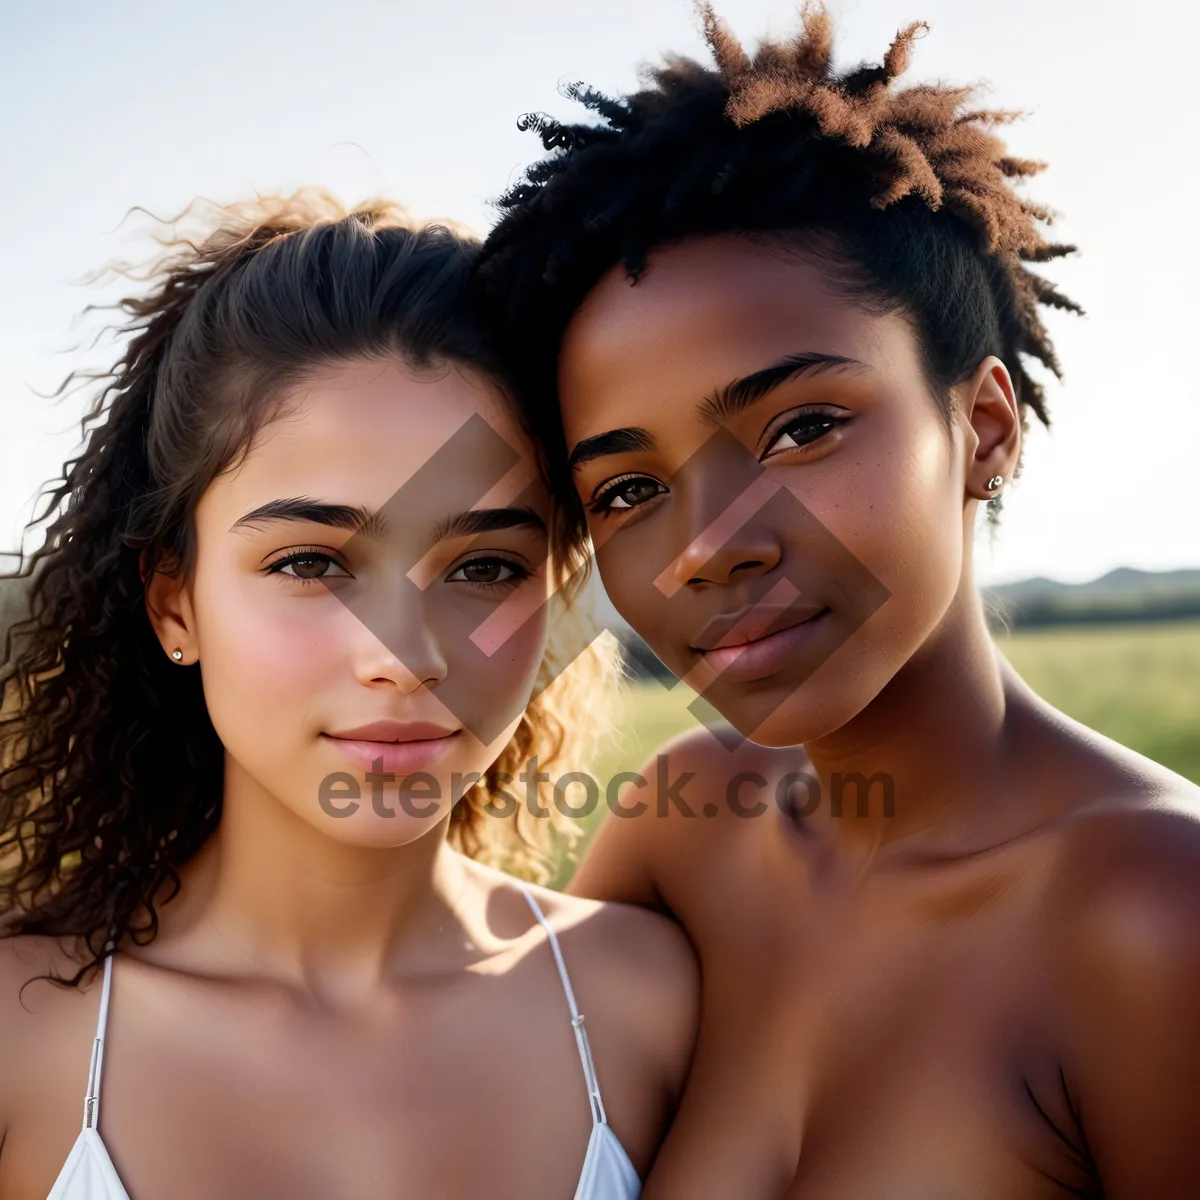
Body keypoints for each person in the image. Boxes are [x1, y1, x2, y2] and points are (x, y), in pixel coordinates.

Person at [477, 6, 1200, 1196]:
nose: (707, 547)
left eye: (802, 428)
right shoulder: (679, 829)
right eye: (628, 488)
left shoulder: (1150, 913)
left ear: (983, 429)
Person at [0, 192, 696, 1200]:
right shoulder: (24, 1031)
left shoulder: (646, 1005)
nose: (403, 657)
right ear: (174, 604)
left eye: (486, 566)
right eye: (312, 561)